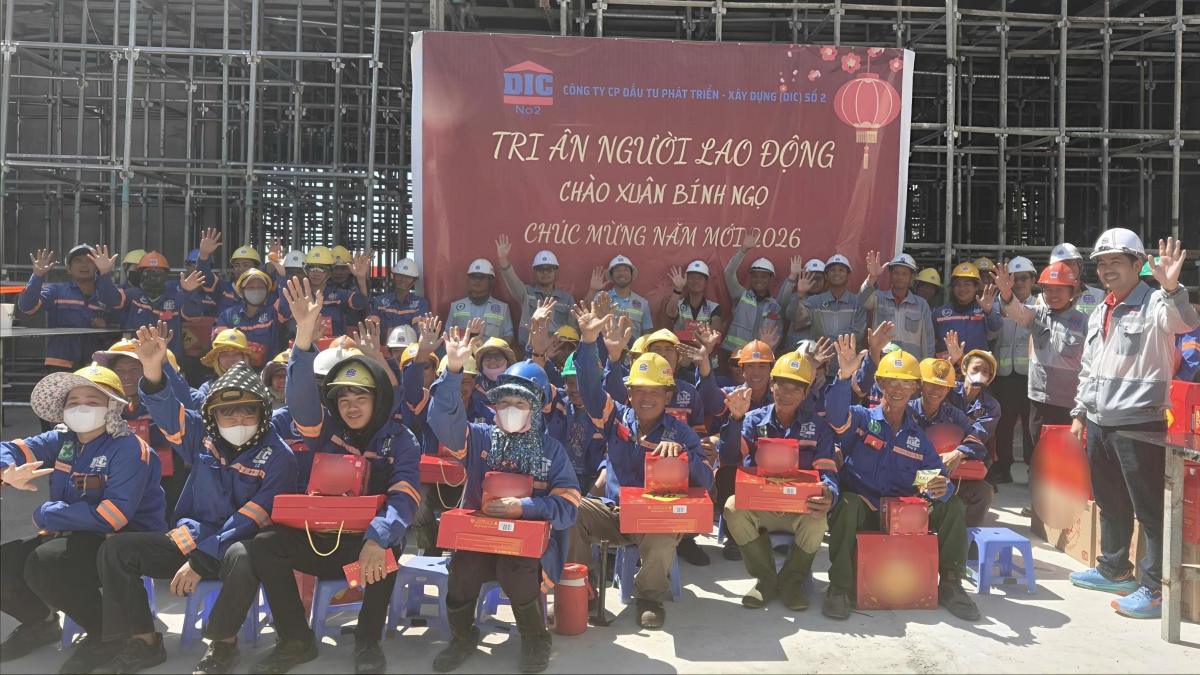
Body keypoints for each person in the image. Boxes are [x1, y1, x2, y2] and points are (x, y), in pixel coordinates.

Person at [96, 330, 297, 674]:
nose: (237, 420)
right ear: (214, 417)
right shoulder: (203, 438)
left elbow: (251, 519)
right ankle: (143, 640)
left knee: (244, 554)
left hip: (233, 548)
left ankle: (223, 644)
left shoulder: (280, 457)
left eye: (247, 412)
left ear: (263, 414)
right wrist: (152, 368)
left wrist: (202, 560)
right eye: (227, 413)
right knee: (117, 550)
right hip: (190, 538)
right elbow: (167, 412)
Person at [427, 330, 579, 674]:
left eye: (520, 404)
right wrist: (451, 372)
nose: (511, 410)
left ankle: (535, 639)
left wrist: (525, 508)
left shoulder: (551, 451)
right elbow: (442, 422)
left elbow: (569, 505)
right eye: (504, 403)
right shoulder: (480, 436)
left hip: (529, 546)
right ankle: (462, 637)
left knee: (517, 569)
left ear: (536, 409)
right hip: (480, 538)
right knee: (463, 569)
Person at [1068, 232, 1199, 619]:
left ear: (1137, 262)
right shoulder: (1101, 309)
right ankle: (1114, 569)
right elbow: (1090, 367)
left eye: (1116, 262)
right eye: (1102, 263)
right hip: (1099, 421)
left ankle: (1154, 589)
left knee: (1149, 510)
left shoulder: (1157, 302)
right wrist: (1079, 412)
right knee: (1110, 501)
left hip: (1141, 422)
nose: (1107, 269)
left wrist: (1173, 287)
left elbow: (1184, 322)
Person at [0, 365, 165, 672]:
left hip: (123, 541)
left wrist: (48, 514)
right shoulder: (62, 439)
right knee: (5, 565)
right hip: (75, 533)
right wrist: (6, 471)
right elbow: (9, 448)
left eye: (92, 399)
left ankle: (107, 635)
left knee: (46, 563)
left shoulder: (129, 449)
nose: (81, 407)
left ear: (113, 407)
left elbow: (112, 517)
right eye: (73, 401)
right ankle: (41, 623)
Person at [566, 299, 712, 630]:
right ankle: (583, 587)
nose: (646, 398)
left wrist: (683, 460)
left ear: (669, 395)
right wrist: (589, 343)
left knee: (663, 534)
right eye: (639, 391)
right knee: (571, 508)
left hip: (656, 519)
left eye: (656, 392)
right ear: (628, 393)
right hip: (614, 513)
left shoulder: (683, 433)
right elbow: (590, 391)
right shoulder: (615, 417)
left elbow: (704, 484)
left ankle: (648, 598)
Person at [821, 336, 979, 622]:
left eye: (905, 382)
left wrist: (939, 488)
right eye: (890, 381)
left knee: (952, 507)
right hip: (864, 508)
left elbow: (932, 482)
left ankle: (952, 586)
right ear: (880, 384)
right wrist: (844, 376)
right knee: (846, 504)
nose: (896, 389)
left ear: (916, 387)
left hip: (903, 515)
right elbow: (834, 415)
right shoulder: (860, 419)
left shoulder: (918, 439)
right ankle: (839, 588)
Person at [718, 353, 838, 610]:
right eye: (781, 385)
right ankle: (766, 580)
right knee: (732, 507)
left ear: (806, 393)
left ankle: (792, 581)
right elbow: (729, 457)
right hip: (762, 504)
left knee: (818, 520)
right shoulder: (753, 419)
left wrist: (830, 494)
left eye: (795, 387)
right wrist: (736, 419)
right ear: (772, 386)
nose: (786, 393)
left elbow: (828, 472)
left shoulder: (818, 427)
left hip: (799, 507)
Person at [600, 324, 723, 567]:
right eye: (657, 349)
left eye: (670, 349)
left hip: (676, 467)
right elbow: (606, 398)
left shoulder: (688, 393)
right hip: (633, 472)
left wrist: (693, 451)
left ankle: (685, 539)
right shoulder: (628, 398)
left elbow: (700, 428)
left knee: (697, 485)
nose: (664, 354)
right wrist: (613, 358)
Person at [709, 340, 775, 560]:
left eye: (762, 366)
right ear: (742, 369)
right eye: (750, 366)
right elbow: (707, 396)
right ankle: (734, 538)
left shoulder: (780, 397)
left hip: (770, 465)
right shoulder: (731, 395)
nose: (755, 372)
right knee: (728, 469)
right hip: (739, 461)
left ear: (771, 369)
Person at [910, 358, 993, 526]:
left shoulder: (954, 415)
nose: (936, 390)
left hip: (944, 480)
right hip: (909, 479)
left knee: (983, 491)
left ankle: (966, 540)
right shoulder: (906, 411)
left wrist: (959, 452)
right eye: (931, 384)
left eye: (942, 386)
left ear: (949, 389)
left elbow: (977, 442)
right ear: (920, 385)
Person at [18, 244, 123, 374]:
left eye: (90, 261)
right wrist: (37, 276)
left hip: (96, 365)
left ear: (96, 266)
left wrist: (105, 273)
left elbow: (115, 304)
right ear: (69, 268)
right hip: (60, 363)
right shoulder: (56, 291)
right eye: (78, 261)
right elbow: (26, 307)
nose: (84, 265)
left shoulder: (106, 292)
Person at [988, 257, 1037, 485]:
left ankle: (1033, 467)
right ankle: (1003, 466)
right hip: (1004, 376)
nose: (1018, 283)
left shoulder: (1041, 306)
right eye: (1014, 278)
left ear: (1033, 280)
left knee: (1030, 425)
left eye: (1024, 278)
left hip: (1030, 376)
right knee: (1004, 424)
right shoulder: (996, 305)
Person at [115, 251, 208, 355]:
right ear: (140, 274)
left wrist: (189, 292)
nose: (153, 276)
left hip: (169, 360)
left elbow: (193, 314)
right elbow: (110, 301)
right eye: (148, 271)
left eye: (157, 272)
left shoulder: (176, 297)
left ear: (166, 275)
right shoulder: (132, 295)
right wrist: (104, 273)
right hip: (135, 360)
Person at [496, 236, 575, 347]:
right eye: (540, 269)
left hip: (558, 352)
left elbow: (573, 328)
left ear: (555, 271)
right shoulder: (526, 293)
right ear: (534, 272)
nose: (545, 273)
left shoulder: (567, 299)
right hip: (531, 350)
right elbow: (511, 280)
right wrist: (503, 259)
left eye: (549, 269)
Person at [860, 251, 935, 359]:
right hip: (882, 364)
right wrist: (872, 277)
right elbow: (862, 300)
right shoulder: (879, 298)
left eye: (904, 273)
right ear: (890, 275)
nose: (900, 277)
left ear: (911, 277)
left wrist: (927, 366)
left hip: (912, 367)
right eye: (896, 273)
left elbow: (928, 340)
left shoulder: (922, 305)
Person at [721, 230, 784, 357]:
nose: (758, 280)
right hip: (735, 354)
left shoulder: (775, 307)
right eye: (755, 276)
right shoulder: (741, 295)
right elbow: (728, 273)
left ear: (770, 279)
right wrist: (743, 250)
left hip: (760, 357)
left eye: (763, 276)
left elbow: (778, 334)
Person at [791, 253, 867, 356]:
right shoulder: (814, 301)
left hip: (849, 362)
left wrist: (829, 340)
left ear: (848, 275)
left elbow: (858, 333)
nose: (837, 273)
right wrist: (801, 294)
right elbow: (798, 322)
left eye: (841, 270)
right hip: (820, 362)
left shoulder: (857, 302)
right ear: (826, 276)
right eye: (832, 270)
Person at [214, 268, 289, 368]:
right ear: (242, 291)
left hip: (266, 375)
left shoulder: (274, 313)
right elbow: (220, 345)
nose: (256, 291)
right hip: (234, 372)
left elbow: (286, 308)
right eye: (251, 288)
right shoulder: (228, 315)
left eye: (261, 287)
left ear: (267, 291)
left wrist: (282, 276)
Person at [297, 246, 369, 339]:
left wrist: (361, 279)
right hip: (306, 347)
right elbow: (283, 315)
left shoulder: (339, 295)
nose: (316, 273)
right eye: (312, 268)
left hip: (334, 349)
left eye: (321, 269)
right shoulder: (299, 294)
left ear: (330, 272)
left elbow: (361, 303)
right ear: (305, 270)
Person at [933, 262, 1000, 355]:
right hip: (949, 366)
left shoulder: (984, 309)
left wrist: (988, 311)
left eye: (967, 284)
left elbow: (996, 327)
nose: (962, 289)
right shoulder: (939, 314)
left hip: (977, 366)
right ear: (952, 287)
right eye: (957, 284)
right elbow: (932, 343)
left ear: (976, 287)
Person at [446, 258, 515, 343]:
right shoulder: (456, 307)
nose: (477, 280)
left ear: (491, 281)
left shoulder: (502, 308)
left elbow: (508, 335)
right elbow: (447, 334)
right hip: (463, 354)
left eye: (481, 277)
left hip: (490, 355)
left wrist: (497, 352)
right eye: (473, 277)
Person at [589, 255, 654, 340]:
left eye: (626, 270)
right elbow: (589, 321)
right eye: (617, 270)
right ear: (611, 276)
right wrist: (592, 290)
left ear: (632, 275)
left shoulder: (643, 303)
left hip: (632, 351)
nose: (622, 273)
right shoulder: (601, 297)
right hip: (605, 349)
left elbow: (647, 333)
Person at [369, 257, 430, 338]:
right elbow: (372, 328)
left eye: (407, 277)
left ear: (414, 281)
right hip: (383, 348)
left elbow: (418, 331)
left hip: (409, 349)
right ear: (394, 277)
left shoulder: (421, 303)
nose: (403, 279)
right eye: (400, 275)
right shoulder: (380, 301)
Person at [663, 260, 725, 338]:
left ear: (706, 282)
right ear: (687, 281)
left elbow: (717, 328)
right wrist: (678, 289)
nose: (696, 281)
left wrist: (692, 330)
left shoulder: (714, 307)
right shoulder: (678, 304)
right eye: (692, 278)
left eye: (699, 278)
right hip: (679, 348)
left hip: (703, 349)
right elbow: (670, 313)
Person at [1048, 242, 1106, 315]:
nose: (1064, 268)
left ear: (1080, 265)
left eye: (1069, 263)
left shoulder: (1099, 297)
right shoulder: (1043, 299)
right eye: (1059, 265)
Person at [783, 259, 827, 347]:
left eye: (818, 278)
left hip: (818, 352)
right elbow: (789, 315)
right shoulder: (796, 297)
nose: (814, 282)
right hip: (794, 351)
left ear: (825, 280)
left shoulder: (829, 300)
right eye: (809, 277)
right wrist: (800, 294)